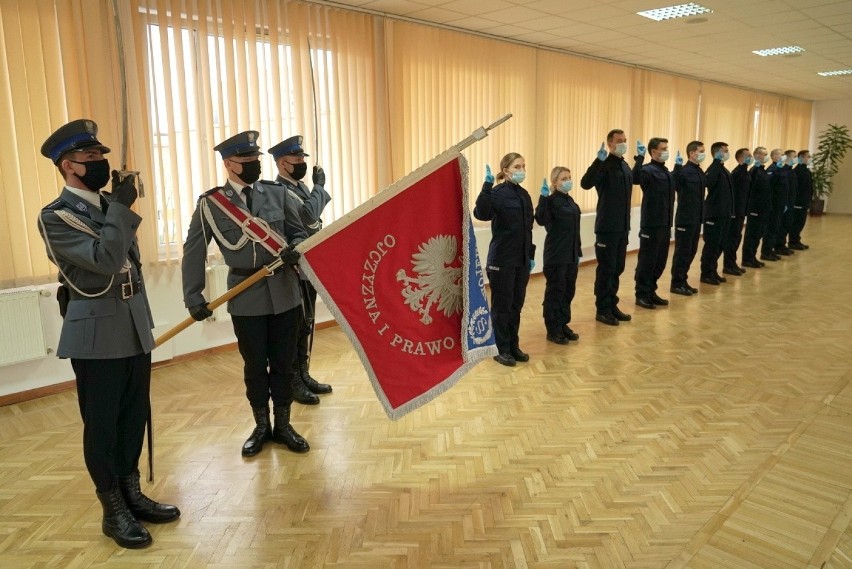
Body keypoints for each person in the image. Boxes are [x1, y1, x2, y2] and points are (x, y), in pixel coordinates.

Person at [37, 119, 179, 549]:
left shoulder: (103, 207)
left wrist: (115, 207)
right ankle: (111, 508)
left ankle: (131, 491)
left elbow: (128, 263)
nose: (100, 163)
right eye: (90, 157)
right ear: (68, 166)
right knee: (102, 425)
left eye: (102, 156)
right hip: (96, 334)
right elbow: (104, 258)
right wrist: (120, 207)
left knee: (134, 415)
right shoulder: (56, 216)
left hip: (132, 323)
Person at [181, 131, 310, 457]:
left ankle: (283, 425)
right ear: (228, 164)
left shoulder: (276, 193)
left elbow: (299, 233)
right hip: (245, 294)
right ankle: (261, 426)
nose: (254, 166)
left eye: (256, 160)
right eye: (246, 161)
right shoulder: (212, 204)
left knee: (284, 363)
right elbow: (193, 250)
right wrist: (193, 296)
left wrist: (295, 247)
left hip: (284, 290)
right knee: (254, 366)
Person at [268, 135, 332, 405]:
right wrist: (320, 187)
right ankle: (293, 380)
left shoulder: (300, 187)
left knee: (306, 323)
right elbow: (308, 218)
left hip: (311, 265)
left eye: (303, 159)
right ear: (283, 163)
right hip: (295, 268)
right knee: (295, 325)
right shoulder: (281, 190)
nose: (302, 163)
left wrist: (314, 189)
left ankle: (304, 374)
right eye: (297, 160)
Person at [474, 153, 535, 366]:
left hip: (521, 260)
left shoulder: (524, 195)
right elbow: (481, 213)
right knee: (502, 307)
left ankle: (513, 345)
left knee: (516, 305)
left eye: (523, 166)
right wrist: (486, 187)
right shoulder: (497, 193)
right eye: (517, 166)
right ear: (506, 169)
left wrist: (531, 256)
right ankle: (501, 349)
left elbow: (528, 230)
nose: (521, 170)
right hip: (502, 260)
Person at [580, 130, 636, 326]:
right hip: (607, 227)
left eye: (624, 140)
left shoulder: (624, 165)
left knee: (618, 268)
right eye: (619, 141)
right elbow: (585, 184)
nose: (623, 144)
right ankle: (602, 309)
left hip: (622, 227)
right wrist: (598, 162)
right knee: (606, 269)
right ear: (610, 144)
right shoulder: (604, 164)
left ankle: (612, 305)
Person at [534, 167, 582, 344]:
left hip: (571, 254)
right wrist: (543, 198)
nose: (568, 181)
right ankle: (553, 328)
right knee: (556, 291)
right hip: (556, 255)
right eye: (563, 178)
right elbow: (540, 219)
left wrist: (578, 252)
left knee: (568, 291)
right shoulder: (551, 201)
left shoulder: (569, 200)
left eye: (569, 177)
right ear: (554, 182)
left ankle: (563, 324)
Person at [631, 137, 675, 309]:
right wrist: (640, 158)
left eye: (667, 148)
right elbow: (635, 179)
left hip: (665, 224)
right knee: (647, 261)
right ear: (653, 151)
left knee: (660, 261)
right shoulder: (647, 170)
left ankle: (651, 291)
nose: (666, 151)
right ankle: (641, 294)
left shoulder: (667, 172)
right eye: (663, 148)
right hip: (651, 224)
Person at [670, 141, 706, 296]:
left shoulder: (699, 171)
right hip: (685, 218)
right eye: (701, 151)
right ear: (692, 153)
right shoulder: (684, 171)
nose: (703, 153)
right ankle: (676, 283)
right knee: (682, 252)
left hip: (696, 218)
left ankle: (683, 280)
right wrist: (677, 167)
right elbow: (673, 184)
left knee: (691, 251)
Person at [699, 142, 734, 285]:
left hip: (724, 214)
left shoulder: (724, 169)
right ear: (717, 153)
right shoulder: (713, 168)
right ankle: (706, 274)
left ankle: (713, 271)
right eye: (724, 151)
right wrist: (715, 161)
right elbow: (708, 182)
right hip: (713, 214)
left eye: (727, 150)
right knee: (711, 246)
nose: (726, 153)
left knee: (720, 244)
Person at [722, 148, 753, 276]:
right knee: (732, 239)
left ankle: (733, 263)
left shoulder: (745, 172)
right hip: (735, 212)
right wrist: (733, 211)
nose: (751, 157)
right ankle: (728, 265)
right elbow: (733, 194)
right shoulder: (737, 173)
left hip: (741, 211)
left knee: (736, 238)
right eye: (748, 156)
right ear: (741, 157)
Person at [741, 147, 770, 269]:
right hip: (755, 208)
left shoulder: (762, 170)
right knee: (752, 234)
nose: (766, 157)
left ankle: (752, 257)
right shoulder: (754, 171)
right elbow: (750, 191)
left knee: (758, 234)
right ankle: (747, 259)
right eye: (764, 154)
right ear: (757, 156)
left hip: (762, 208)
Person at [789, 150, 813, 250]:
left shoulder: (806, 170)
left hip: (804, 201)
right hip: (798, 202)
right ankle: (793, 242)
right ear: (801, 158)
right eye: (808, 156)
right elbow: (796, 188)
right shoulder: (798, 171)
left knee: (801, 222)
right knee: (796, 222)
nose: (810, 158)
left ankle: (796, 240)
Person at [778, 149, 799, 255]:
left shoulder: (791, 171)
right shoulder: (784, 170)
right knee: (783, 225)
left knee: (787, 224)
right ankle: (779, 246)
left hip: (791, 202)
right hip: (786, 203)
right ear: (787, 158)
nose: (796, 158)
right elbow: (783, 189)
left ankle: (782, 245)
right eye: (794, 156)